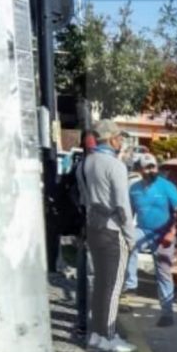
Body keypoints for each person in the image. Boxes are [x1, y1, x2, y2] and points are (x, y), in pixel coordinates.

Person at [81, 120, 136, 352]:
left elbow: (84, 199)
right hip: (113, 229)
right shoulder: (115, 166)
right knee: (113, 287)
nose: (121, 141)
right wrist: (130, 236)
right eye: (119, 137)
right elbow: (122, 205)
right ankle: (109, 336)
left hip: (93, 226)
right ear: (112, 139)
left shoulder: (85, 163)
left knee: (100, 283)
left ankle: (95, 333)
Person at [126, 153, 177, 326]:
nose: (150, 170)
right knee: (127, 244)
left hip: (163, 232)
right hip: (143, 229)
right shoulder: (134, 188)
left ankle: (167, 312)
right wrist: (126, 232)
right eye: (147, 167)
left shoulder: (167, 187)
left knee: (163, 271)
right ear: (140, 169)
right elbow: (129, 214)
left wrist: (171, 233)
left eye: (153, 167)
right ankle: (130, 286)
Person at [73, 129, 99, 340]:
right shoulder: (91, 169)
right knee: (91, 278)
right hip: (92, 228)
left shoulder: (80, 167)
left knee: (85, 277)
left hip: (85, 228)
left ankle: (84, 323)